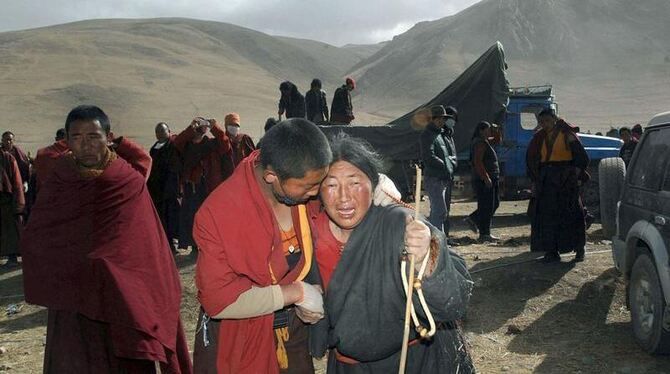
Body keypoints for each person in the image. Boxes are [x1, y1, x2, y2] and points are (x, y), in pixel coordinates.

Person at [21, 105, 192, 373]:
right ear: (67, 141)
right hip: (75, 297)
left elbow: (142, 242)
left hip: (122, 296)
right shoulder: (60, 177)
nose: (85, 145)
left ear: (108, 137)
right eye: (76, 138)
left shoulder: (125, 179)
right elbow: (41, 234)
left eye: (93, 136)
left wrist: (111, 266)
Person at [310, 134, 474, 373]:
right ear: (319, 192)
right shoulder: (312, 234)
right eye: (332, 185)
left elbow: (453, 302)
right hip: (349, 367)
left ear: (374, 185)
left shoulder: (400, 223)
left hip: (414, 361)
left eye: (355, 183)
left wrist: (426, 258)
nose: (344, 197)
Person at [192, 118, 332, 374]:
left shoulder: (299, 180)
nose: (317, 193)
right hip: (238, 338)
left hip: (293, 333)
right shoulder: (219, 213)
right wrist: (295, 294)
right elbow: (218, 301)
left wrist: (378, 191)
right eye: (309, 186)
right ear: (271, 177)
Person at [526, 108, 589, 263]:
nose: (544, 124)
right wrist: (535, 179)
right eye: (541, 122)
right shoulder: (540, 137)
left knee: (573, 212)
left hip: (566, 179)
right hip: (547, 179)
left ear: (554, 119)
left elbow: (581, 157)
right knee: (548, 215)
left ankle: (579, 249)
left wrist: (575, 174)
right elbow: (532, 158)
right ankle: (552, 251)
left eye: (547, 121)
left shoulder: (567, 134)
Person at [173, 117, 231, 253]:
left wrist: (215, 127)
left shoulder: (211, 144)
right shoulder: (187, 145)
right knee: (192, 216)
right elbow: (176, 143)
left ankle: (208, 244)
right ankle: (194, 246)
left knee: (208, 217)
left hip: (207, 186)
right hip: (191, 187)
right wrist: (190, 128)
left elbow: (225, 144)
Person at [420, 105, 457, 236]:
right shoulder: (428, 135)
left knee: (440, 211)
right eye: (440, 119)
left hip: (441, 178)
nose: (442, 121)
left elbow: (447, 154)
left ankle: (438, 241)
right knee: (439, 211)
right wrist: (446, 165)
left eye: (443, 119)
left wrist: (451, 163)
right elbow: (428, 156)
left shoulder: (440, 134)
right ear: (433, 119)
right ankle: (435, 242)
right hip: (435, 178)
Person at [148, 122, 182, 253]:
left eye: (163, 131)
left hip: (172, 190)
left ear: (169, 131)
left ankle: (177, 242)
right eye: (158, 132)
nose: (160, 134)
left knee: (174, 218)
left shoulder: (173, 146)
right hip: (157, 192)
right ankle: (168, 246)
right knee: (162, 220)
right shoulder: (153, 149)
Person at [466, 121, 501, 242]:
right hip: (484, 179)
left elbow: (497, 140)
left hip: (490, 177)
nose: (489, 132)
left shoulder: (484, 141)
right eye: (488, 129)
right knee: (487, 206)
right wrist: (486, 177)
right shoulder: (480, 143)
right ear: (481, 130)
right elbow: (478, 162)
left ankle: (474, 219)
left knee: (493, 203)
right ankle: (484, 233)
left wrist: (496, 131)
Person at [0, 149, 25, 267]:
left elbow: (16, 180)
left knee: (9, 230)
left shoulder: (8, 158)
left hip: (7, 200)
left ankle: (12, 257)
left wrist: (18, 200)